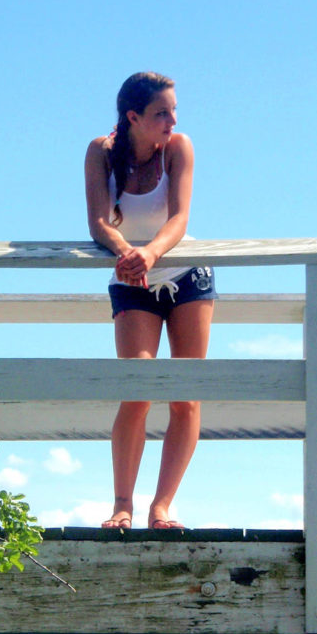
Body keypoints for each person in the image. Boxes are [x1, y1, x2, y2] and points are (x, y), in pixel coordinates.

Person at [85, 71, 216, 530]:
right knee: (137, 389)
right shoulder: (101, 151)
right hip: (130, 277)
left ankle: (162, 507)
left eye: (174, 111)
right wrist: (127, 253)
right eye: (162, 113)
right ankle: (122, 505)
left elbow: (179, 218)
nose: (172, 121)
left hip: (185, 275)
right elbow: (98, 222)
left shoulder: (179, 148)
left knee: (184, 397)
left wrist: (152, 252)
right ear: (133, 117)